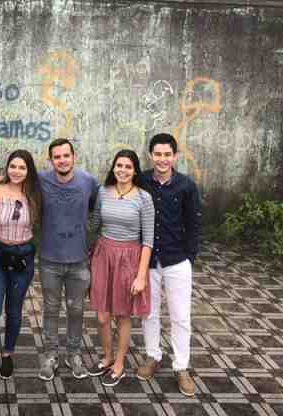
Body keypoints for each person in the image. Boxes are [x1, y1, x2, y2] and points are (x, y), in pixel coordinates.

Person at [136, 133, 201, 397]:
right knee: (148, 312)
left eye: (167, 154)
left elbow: (194, 224)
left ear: (175, 156)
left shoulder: (186, 186)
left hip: (177, 260)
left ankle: (181, 366)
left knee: (180, 316)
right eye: (158, 154)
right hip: (148, 260)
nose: (162, 159)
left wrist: (189, 257)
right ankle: (153, 356)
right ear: (150, 155)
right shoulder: (141, 181)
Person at [88, 149, 154, 387]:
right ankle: (106, 357)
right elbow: (94, 225)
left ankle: (119, 363)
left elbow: (148, 240)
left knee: (122, 315)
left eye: (128, 166)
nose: (123, 170)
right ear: (113, 167)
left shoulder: (144, 198)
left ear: (135, 171)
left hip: (129, 258)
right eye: (119, 165)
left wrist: (141, 276)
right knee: (102, 315)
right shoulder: (102, 192)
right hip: (103, 255)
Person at [37, 138, 98, 380]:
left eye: (66, 155)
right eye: (57, 157)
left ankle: (74, 354)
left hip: (79, 259)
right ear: (50, 160)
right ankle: (50, 355)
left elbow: (96, 209)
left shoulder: (88, 181)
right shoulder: (40, 180)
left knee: (76, 309)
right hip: (49, 259)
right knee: (51, 309)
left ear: (74, 157)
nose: (62, 160)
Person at [0, 150, 42, 379]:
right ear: (7, 168)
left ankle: (7, 353)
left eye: (22, 167)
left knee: (14, 310)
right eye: (13, 166)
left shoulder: (35, 193)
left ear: (29, 170)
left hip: (23, 256)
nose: (16, 171)